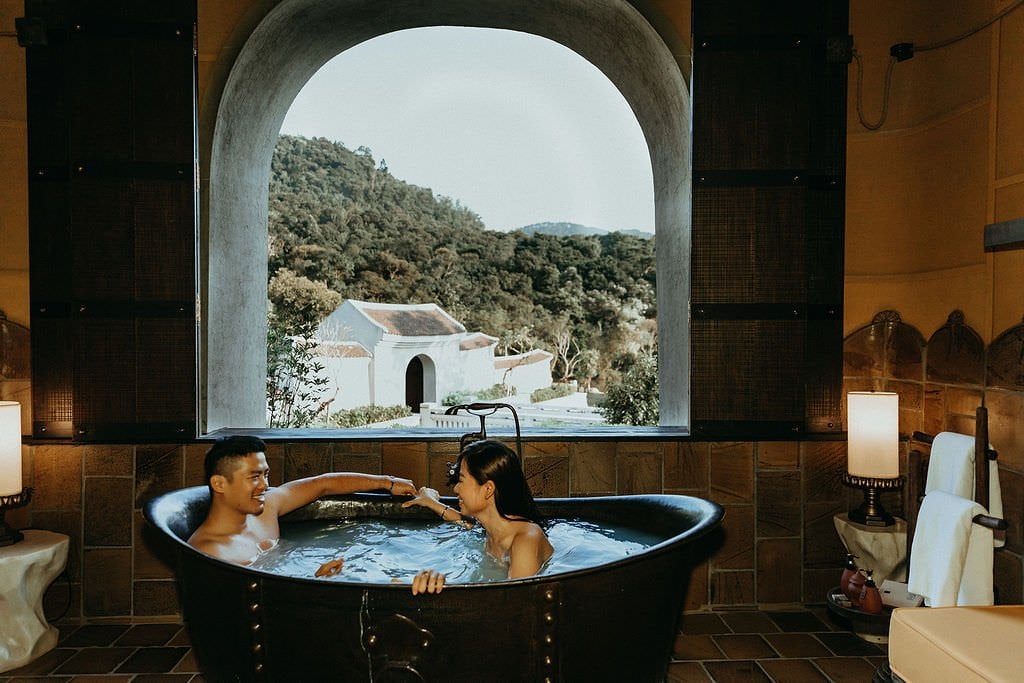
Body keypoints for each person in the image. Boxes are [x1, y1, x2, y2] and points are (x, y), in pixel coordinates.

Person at [187, 435, 416, 565]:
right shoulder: (209, 553)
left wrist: (389, 482)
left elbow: (322, 484)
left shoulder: (267, 509)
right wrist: (316, 581)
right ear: (219, 483)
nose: (265, 485)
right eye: (254, 477)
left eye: (265, 475)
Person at [402, 439, 553, 595]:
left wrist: (445, 591)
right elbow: (463, 521)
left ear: (488, 489)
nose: (455, 488)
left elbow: (514, 604)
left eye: (461, 480)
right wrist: (431, 502)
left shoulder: (526, 540)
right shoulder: (491, 530)